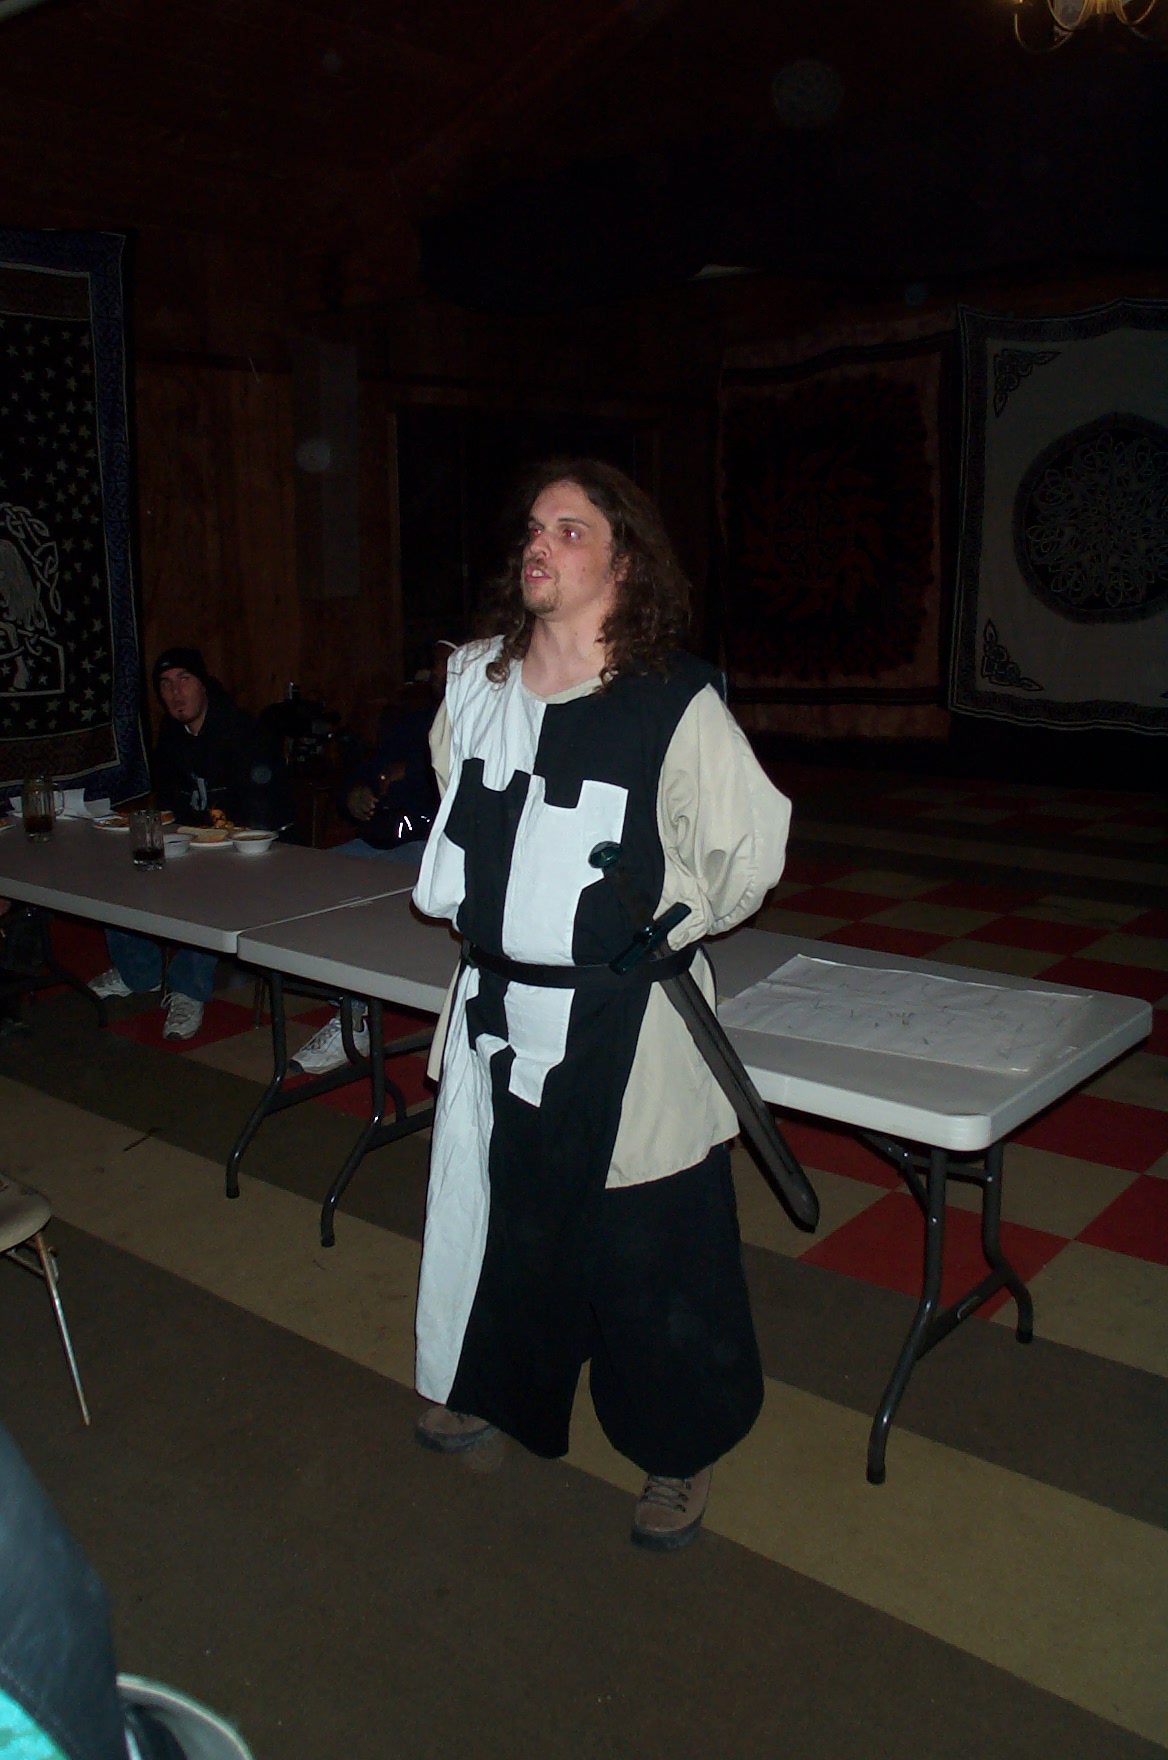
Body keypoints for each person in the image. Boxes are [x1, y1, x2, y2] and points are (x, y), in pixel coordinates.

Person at [411, 459, 792, 1551]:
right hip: (500, 1011)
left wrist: (651, 933)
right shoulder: (476, 684)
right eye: (535, 527)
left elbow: (743, 853)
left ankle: (678, 1439)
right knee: (507, 1215)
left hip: (626, 1023)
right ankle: (494, 1381)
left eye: (570, 529)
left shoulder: (672, 699)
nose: (540, 543)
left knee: (649, 1242)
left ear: (624, 561)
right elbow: (459, 803)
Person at [88, 648, 288, 1041]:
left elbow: (265, 813)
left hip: (254, 852)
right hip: (197, 845)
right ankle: (138, 972)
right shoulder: (171, 735)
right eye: (166, 684)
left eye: (184, 680)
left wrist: (215, 836)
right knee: (125, 869)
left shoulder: (242, 731)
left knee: (212, 890)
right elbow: (170, 804)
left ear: (204, 684)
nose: (176, 692)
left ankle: (187, 990)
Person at [289, 641, 453, 1076]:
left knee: (372, 896)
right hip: (387, 840)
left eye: (447, 664)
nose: (438, 673)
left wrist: (414, 773)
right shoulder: (414, 722)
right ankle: (344, 997)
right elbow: (367, 769)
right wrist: (355, 793)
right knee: (310, 877)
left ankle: (354, 1021)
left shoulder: (485, 721)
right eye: (435, 665)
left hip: (439, 848)